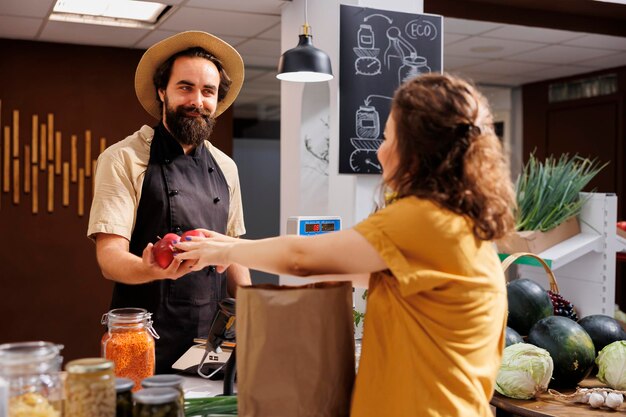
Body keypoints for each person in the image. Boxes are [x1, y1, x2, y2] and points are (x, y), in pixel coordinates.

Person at [175, 73, 517, 416]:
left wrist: (226, 251)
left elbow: (301, 258)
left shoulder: (424, 219)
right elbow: (341, 266)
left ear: (416, 150)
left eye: (387, 138)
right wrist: (225, 243)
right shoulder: (456, 224)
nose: (380, 151)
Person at [87, 31, 251, 374]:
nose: (197, 100)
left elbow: (234, 250)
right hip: (143, 340)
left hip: (213, 342)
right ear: (162, 91)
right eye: (185, 87)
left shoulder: (227, 168)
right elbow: (109, 258)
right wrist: (148, 269)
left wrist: (257, 315)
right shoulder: (123, 159)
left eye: (208, 91)